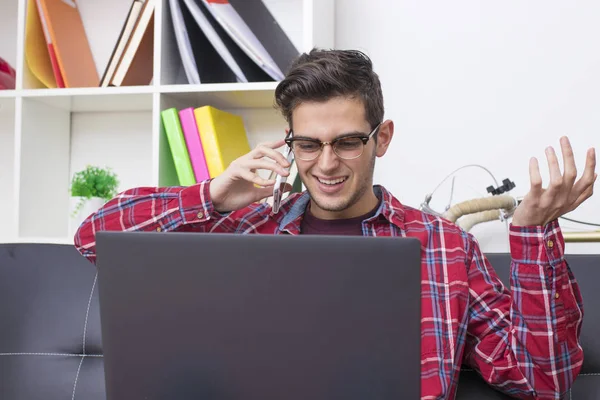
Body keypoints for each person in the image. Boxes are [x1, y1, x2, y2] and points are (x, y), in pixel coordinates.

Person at [74, 48, 596, 399]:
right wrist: (212, 195)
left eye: (347, 142)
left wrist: (530, 235)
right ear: (289, 141)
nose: (326, 164)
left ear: (382, 138)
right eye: (308, 144)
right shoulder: (243, 230)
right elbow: (94, 238)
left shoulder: (445, 247)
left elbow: (542, 378)